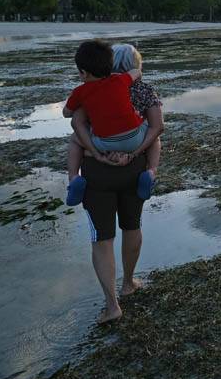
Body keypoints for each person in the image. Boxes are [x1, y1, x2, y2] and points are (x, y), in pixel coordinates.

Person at [67, 43, 164, 200]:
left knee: (75, 139)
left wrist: (95, 152)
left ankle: (73, 177)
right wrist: (133, 153)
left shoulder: (92, 89)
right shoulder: (144, 89)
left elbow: (77, 122)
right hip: (135, 160)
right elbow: (158, 127)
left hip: (98, 160)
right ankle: (152, 171)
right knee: (154, 134)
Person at [80, 153, 147, 323]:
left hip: (97, 171)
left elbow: (77, 129)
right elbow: (157, 129)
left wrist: (98, 155)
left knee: (101, 239)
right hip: (133, 167)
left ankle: (112, 307)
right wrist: (137, 152)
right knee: (132, 227)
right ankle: (128, 284)